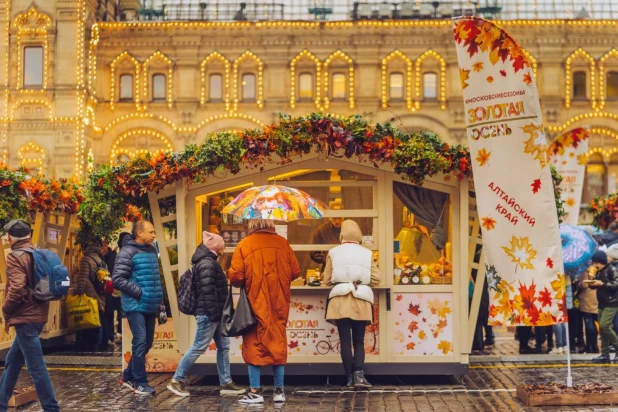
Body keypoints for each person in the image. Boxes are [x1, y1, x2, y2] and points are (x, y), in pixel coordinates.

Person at [228, 219, 300, 404]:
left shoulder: (244, 244)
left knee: (253, 342)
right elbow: (295, 271)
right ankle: (279, 391)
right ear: (270, 225)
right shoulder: (283, 244)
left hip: (255, 302)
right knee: (278, 341)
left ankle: (255, 391)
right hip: (279, 302)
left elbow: (236, 277)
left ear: (252, 225)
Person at [168, 232, 245, 397]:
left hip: (215, 314)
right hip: (209, 314)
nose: (224, 247)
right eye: (222, 244)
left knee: (224, 347)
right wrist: (214, 314)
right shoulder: (207, 263)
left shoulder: (209, 262)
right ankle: (176, 380)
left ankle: (226, 382)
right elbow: (208, 292)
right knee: (199, 346)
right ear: (216, 247)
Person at [0, 219, 59, 411]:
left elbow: (17, 288)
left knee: (36, 367)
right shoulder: (37, 253)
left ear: (9, 237)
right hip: (38, 315)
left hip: (25, 317)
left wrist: (6, 310)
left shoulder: (15, 256)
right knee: (13, 361)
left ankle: (51, 408)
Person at [323, 220, 380, 389]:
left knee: (345, 341)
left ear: (341, 234)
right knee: (359, 341)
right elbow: (377, 278)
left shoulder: (333, 252)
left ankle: (349, 378)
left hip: (340, 300)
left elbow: (326, 279)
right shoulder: (367, 253)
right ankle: (359, 376)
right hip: (361, 299)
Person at [112, 221, 164, 394]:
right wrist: (140, 292)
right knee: (141, 340)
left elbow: (154, 277)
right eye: (151, 231)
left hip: (150, 303)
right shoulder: (127, 252)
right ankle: (139, 381)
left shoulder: (151, 250)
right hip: (135, 304)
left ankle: (128, 375)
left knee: (147, 342)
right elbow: (118, 279)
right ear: (139, 233)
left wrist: (158, 298)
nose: (154, 235)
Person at [75, 241, 107, 352]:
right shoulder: (101, 260)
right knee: (98, 321)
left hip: (90, 295)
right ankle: (98, 344)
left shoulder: (86, 259)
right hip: (101, 294)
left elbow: (82, 278)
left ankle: (89, 345)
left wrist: (79, 291)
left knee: (87, 321)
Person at [587, 250, 618, 363]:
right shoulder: (598, 271)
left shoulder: (611, 270)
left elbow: (616, 284)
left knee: (605, 325)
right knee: (602, 329)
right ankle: (605, 354)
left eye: (594, 263)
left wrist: (603, 284)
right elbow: (592, 287)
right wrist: (591, 280)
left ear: (598, 262)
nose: (594, 265)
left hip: (612, 302)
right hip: (602, 302)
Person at [310, 201, 344, 270]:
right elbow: (313, 253)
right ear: (329, 217)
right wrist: (328, 258)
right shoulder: (321, 231)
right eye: (334, 218)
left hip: (346, 269)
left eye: (339, 218)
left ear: (344, 217)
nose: (337, 221)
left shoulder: (348, 229)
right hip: (328, 269)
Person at [576, 264, 599, 353]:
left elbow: (584, 285)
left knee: (589, 324)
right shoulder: (598, 269)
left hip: (587, 300)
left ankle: (589, 346)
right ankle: (595, 346)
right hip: (596, 299)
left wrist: (578, 283)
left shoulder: (586, 270)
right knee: (594, 322)